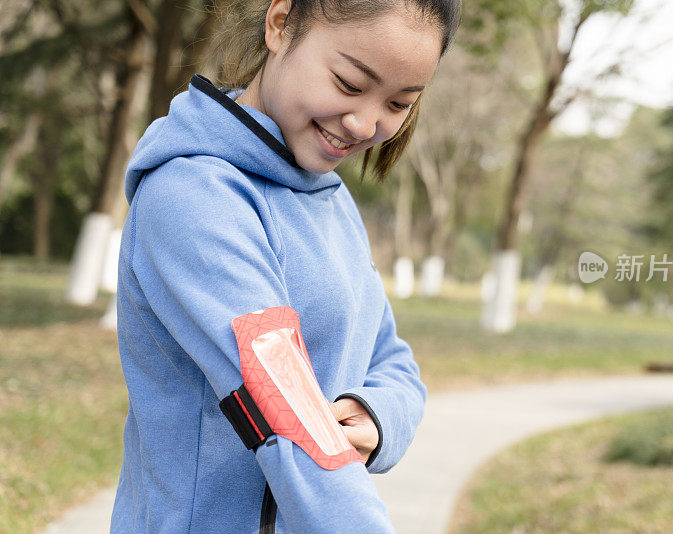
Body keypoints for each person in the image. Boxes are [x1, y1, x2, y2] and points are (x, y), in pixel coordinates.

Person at [110, 0, 461, 532]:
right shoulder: (194, 196)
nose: (366, 124)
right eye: (348, 83)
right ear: (280, 24)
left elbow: (391, 359)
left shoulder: (331, 201)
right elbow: (283, 408)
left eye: (399, 103)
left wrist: (376, 414)